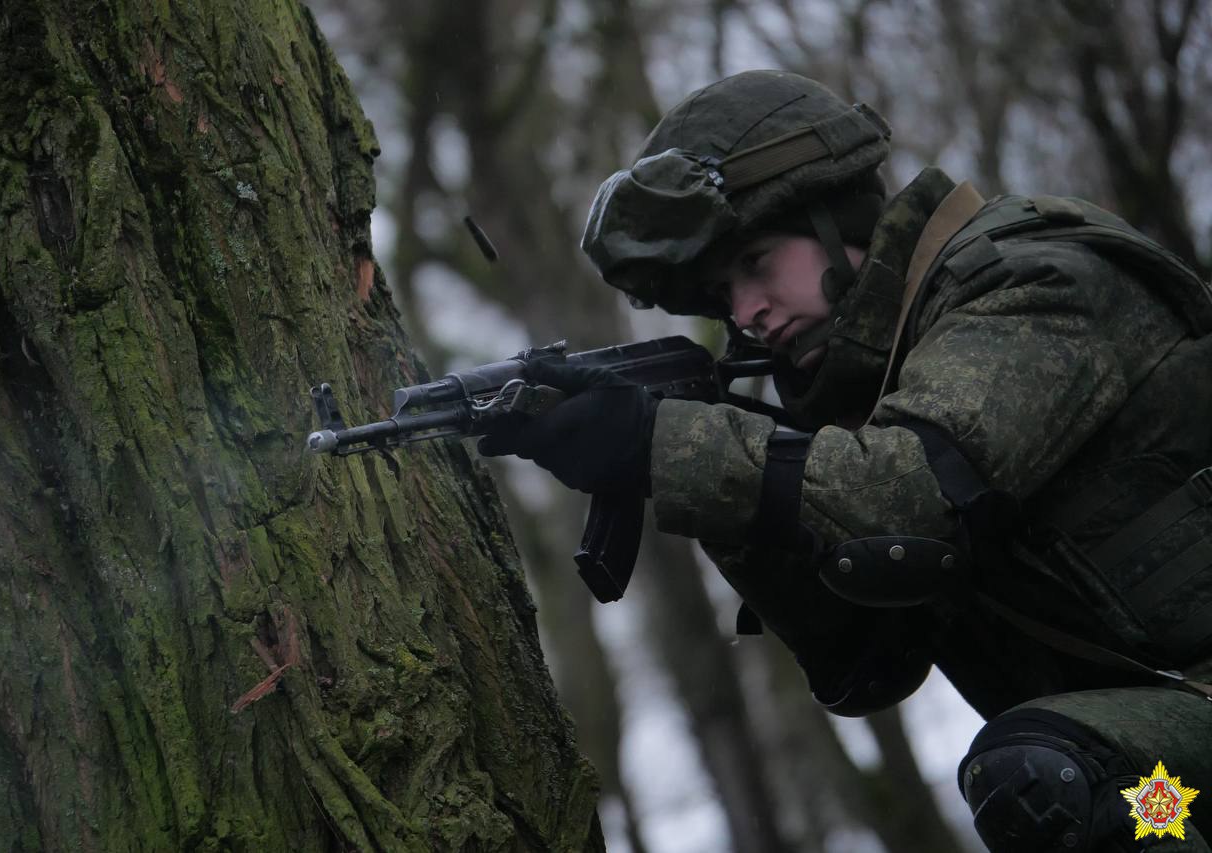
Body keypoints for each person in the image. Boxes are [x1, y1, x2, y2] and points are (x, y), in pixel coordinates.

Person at [478, 69, 1212, 852]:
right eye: (725, 296)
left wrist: (666, 443)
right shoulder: (877, 390)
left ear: (840, 215)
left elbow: (911, 495)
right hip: (1167, 761)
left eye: (756, 262)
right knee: (1071, 780)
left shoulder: (1027, 281)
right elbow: (865, 665)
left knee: (1046, 784)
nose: (748, 313)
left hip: (1158, 758)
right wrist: (694, 482)